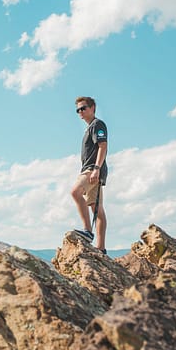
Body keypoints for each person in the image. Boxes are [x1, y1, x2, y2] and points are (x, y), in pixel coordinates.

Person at [70, 96, 108, 254]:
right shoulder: (89, 128)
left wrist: (96, 168)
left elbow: (103, 146)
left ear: (93, 108)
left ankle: (87, 231)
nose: (80, 111)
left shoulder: (97, 124)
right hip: (91, 169)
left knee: (75, 192)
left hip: (92, 169)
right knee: (96, 208)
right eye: (78, 110)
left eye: (83, 108)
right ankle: (101, 247)